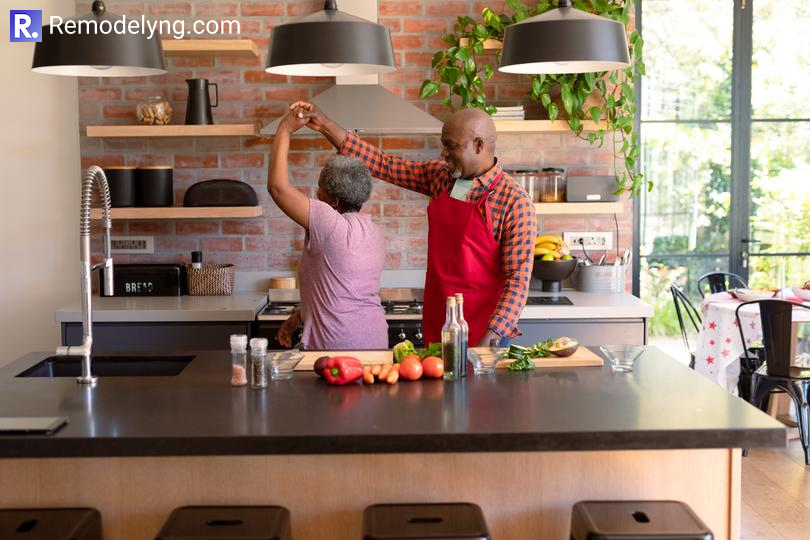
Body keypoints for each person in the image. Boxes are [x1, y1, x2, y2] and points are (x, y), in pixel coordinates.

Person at [289, 101, 536, 347]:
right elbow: (384, 164)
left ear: (479, 145)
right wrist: (325, 125)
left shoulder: (515, 202)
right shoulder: (441, 177)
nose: (443, 154)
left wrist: (491, 337)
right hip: (439, 319)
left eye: (451, 146)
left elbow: (518, 280)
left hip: (484, 329)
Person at [268, 106, 388, 350]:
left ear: (333, 201)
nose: (315, 193)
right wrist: (296, 319)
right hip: (375, 342)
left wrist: (285, 129)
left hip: (335, 347)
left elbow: (278, 188)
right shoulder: (373, 232)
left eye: (319, 188)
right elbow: (337, 292)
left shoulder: (328, 222)